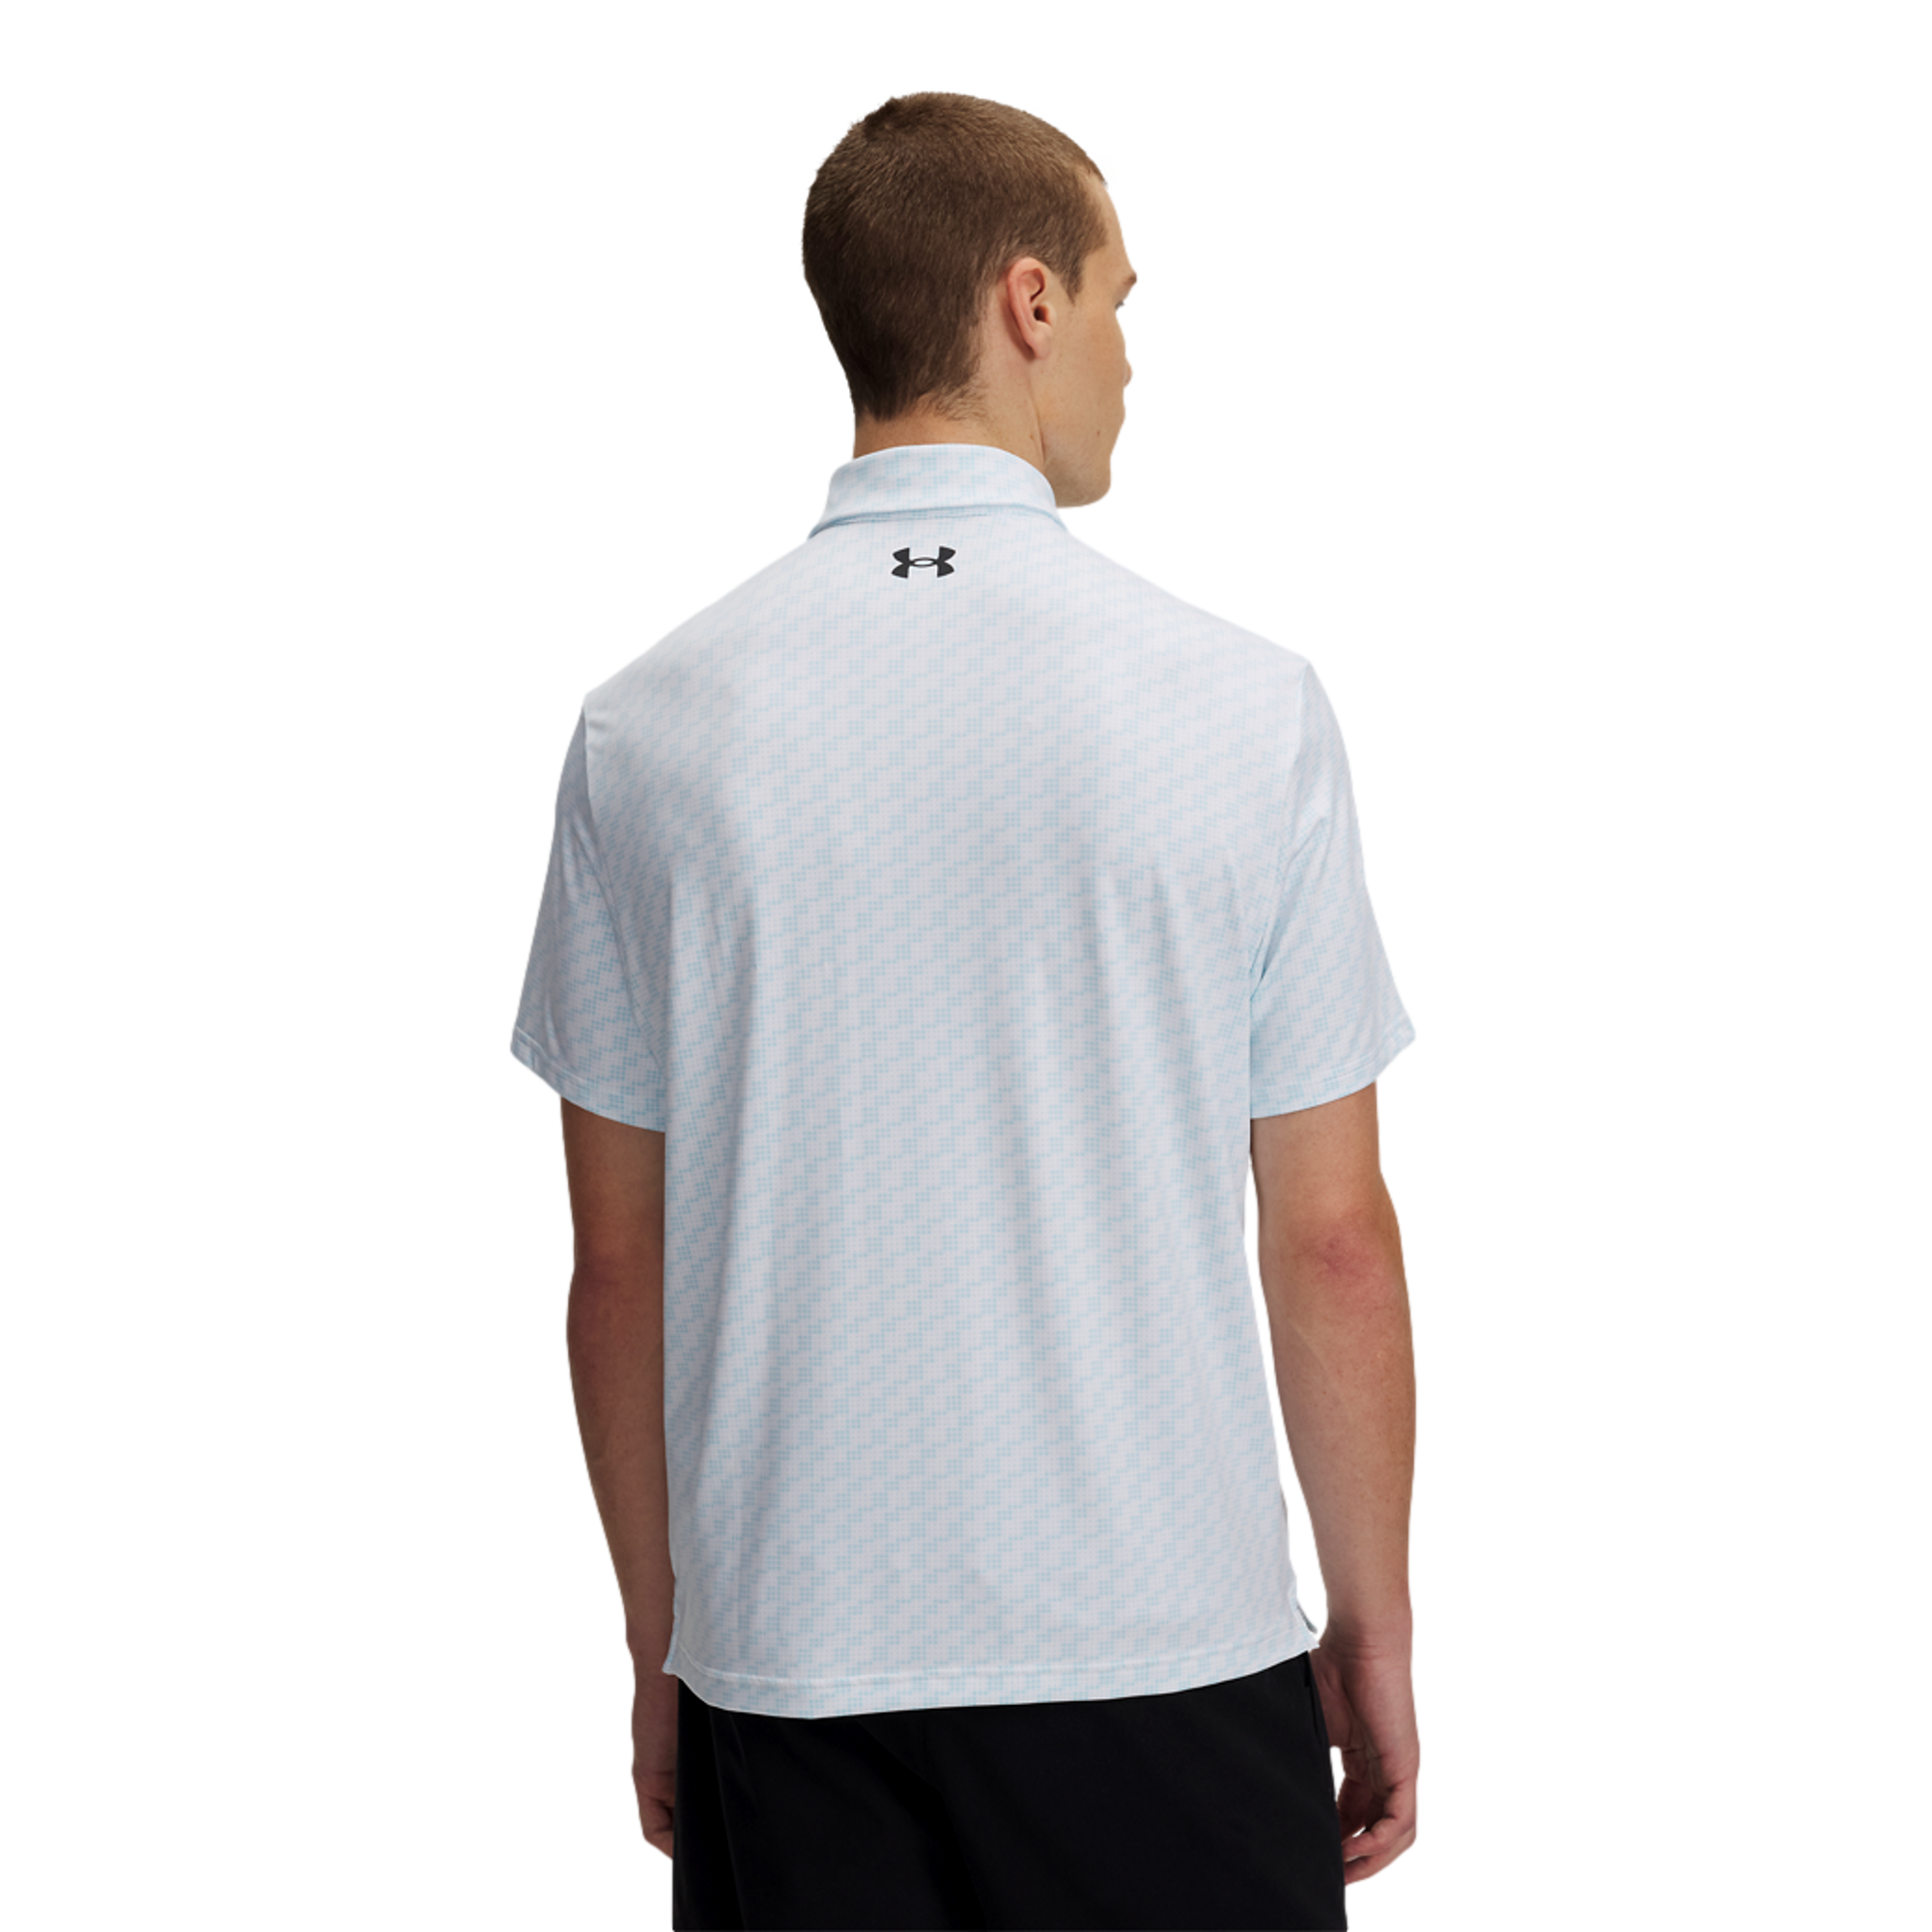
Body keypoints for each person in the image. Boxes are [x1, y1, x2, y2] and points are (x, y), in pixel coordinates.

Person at [512, 86, 1421, 1931]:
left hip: (786, 1672)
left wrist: (660, 1648)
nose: (1130, 360)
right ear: (1029, 301)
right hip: (1169, 1654)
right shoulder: (1248, 703)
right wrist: (1373, 1627)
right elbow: (1328, 1239)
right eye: (1120, 304)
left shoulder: (642, 724)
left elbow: (616, 1268)